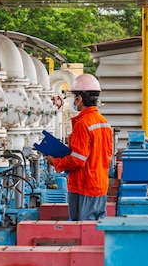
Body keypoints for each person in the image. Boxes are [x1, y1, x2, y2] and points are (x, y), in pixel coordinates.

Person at [45, 73, 113, 220]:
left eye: (74, 97)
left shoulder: (83, 124)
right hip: (99, 184)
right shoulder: (104, 122)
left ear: (80, 98)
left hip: (84, 186)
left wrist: (55, 161)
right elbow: (106, 155)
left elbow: (77, 160)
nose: (73, 102)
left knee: (84, 231)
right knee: (95, 231)